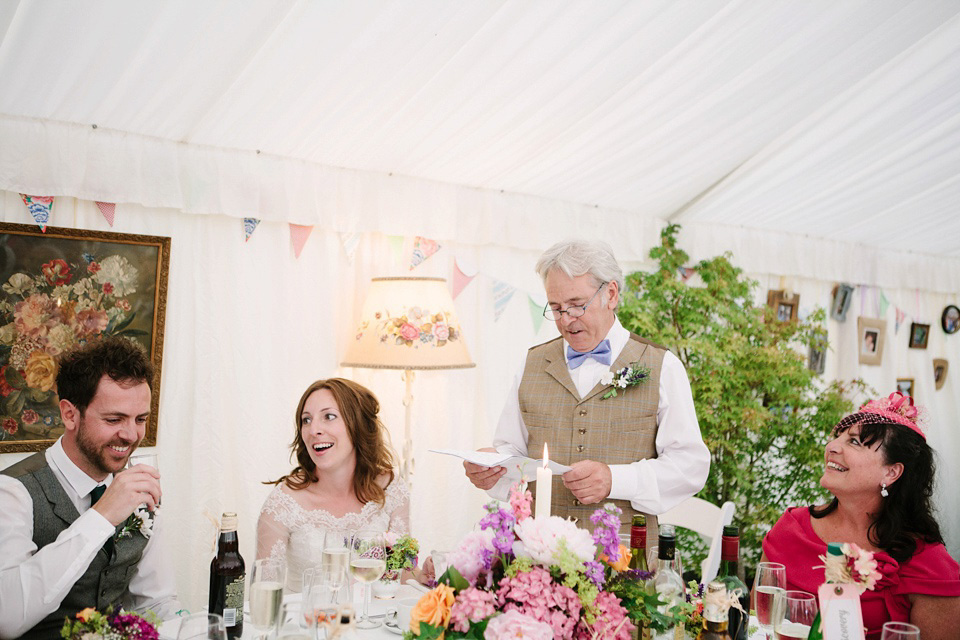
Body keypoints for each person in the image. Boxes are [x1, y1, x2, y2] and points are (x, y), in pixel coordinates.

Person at [463, 239, 710, 540]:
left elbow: (690, 466)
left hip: (626, 563)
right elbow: (512, 453)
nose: (566, 320)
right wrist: (493, 470)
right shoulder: (531, 363)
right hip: (536, 556)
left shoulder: (663, 367)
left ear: (611, 294)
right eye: (556, 308)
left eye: (578, 305)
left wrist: (615, 480)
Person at [0, 337, 180, 640]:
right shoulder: (13, 492)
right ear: (70, 414)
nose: (131, 434)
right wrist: (101, 516)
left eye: (141, 419)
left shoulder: (138, 488)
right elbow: (6, 618)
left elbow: (158, 602)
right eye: (114, 419)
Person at [762, 392, 960, 639]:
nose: (832, 447)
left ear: (891, 472)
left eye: (854, 442)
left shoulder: (928, 563)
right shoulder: (790, 529)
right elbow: (757, 627)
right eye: (838, 437)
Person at [256, 378, 410, 591]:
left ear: (357, 424)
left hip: (373, 622)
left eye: (329, 416)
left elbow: (402, 576)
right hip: (307, 622)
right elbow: (264, 590)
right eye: (306, 420)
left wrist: (422, 576)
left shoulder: (391, 490)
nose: (314, 430)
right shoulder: (283, 503)